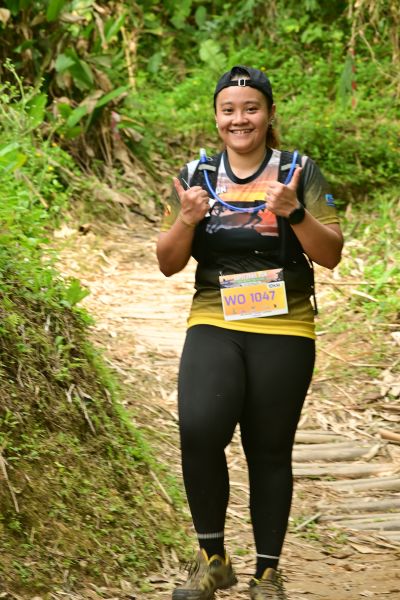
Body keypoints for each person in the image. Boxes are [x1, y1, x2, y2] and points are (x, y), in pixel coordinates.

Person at [156, 65, 343, 600]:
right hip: (215, 318)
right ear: (216, 117)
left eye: (251, 109)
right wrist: (186, 220)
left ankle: (267, 572)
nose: (240, 119)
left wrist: (296, 213)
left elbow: (330, 254)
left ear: (269, 114)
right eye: (229, 110)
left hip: (285, 323)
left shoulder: (299, 171)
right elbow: (168, 263)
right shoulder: (195, 175)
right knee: (199, 429)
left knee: (268, 448)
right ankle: (211, 559)